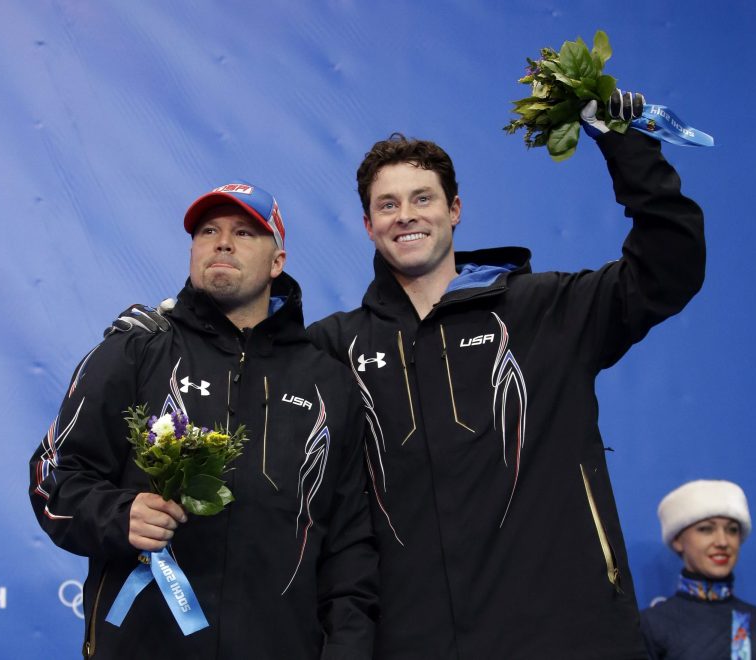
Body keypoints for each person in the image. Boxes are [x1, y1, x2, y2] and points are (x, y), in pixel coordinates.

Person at [109, 95, 706, 658]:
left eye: (422, 199)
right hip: (409, 642)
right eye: (387, 205)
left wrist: (630, 147)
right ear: (367, 225)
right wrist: (168, 327)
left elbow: (668, 269)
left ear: (454, 210)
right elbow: (243, 360)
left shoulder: (548, 311)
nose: (406, 217)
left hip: (565, 632)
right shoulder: (334, 348)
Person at [29, 183, 379, 659]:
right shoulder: (137, 349)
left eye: (245, 232)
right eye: (207, 230)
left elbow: (350, 548)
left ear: (278, 262)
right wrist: (119, 514)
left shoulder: (328, 384)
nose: (222, 242)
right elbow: (53, 477)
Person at [640, 480, 756, 658]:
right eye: (706, 529)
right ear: (677, 540)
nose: (722, 542)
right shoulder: (652, 624)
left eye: (732, 530)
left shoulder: (754, 619)